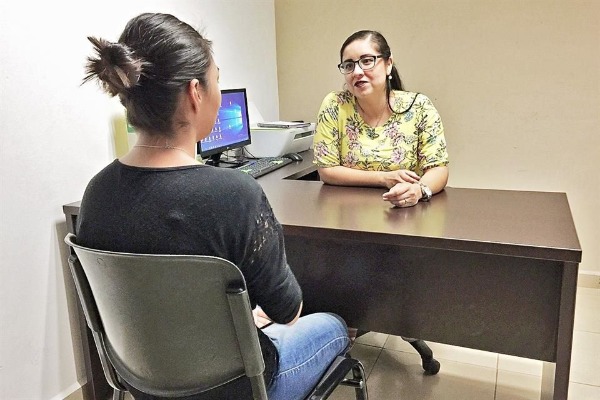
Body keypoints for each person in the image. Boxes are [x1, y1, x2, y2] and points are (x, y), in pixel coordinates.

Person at [78, 12, 349, 400]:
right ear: (195, 93)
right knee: (335, 325)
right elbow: (288, 311)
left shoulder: (96, 193)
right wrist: (250, 316)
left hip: (142, 382)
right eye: (216, 80)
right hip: (240, 388)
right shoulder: (234, 195)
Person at [313, 29, 449, 207]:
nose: (357, 72)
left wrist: (419, 190)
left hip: (404, 210)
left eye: (367, 61)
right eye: (349, 65)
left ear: (388, 64)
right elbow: (326, 170)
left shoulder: (419, 106)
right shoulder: (335, 105)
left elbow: (438, 169)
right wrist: (383, 178)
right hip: (347, 210)